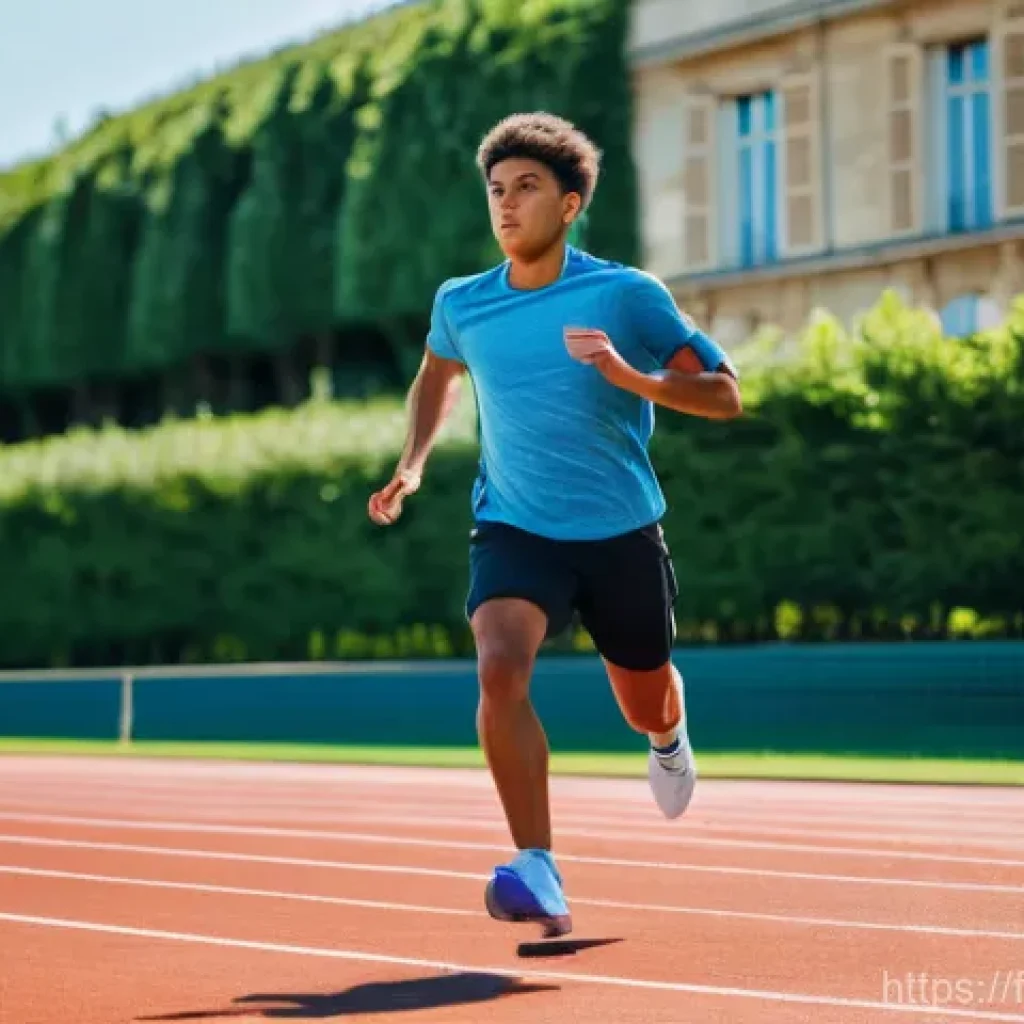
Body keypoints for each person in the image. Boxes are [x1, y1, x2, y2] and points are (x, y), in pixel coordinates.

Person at [367, 112, 741, 937]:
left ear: (569, 205)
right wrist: (415, 460)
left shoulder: (624, 294)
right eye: (496, 190)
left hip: (619, 532)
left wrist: (625, 372)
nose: (506, 205)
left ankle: (670, 735)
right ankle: (537, 863)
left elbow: (724, 394)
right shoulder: (462, 302)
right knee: (500, 668)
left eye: (527, 188)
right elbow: (437, 373)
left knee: (644, 700)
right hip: (516, 526)